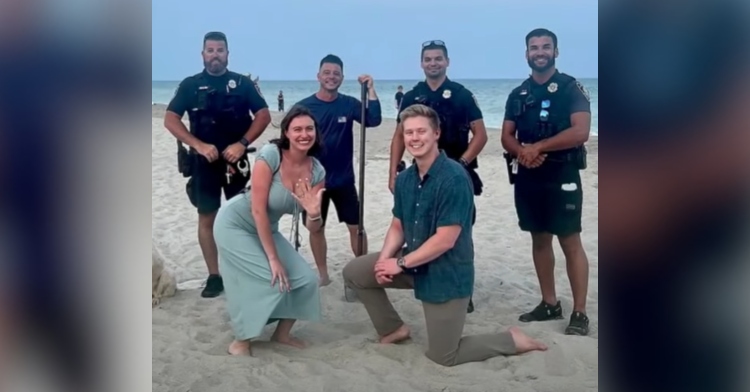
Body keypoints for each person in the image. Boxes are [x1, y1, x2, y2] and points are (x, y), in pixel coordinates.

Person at [343, 104, 547, 367]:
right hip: (413, 262)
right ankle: (393, 328)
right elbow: (398, 225)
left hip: (446, 272)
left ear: (436, 133)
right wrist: (385, 261)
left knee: (444, 356)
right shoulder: (405, 179)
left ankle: (511, 340)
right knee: (355, 273)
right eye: (409, 133)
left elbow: (445, 239)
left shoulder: (454, 178)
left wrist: (400, 263)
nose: (414, 138)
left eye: (421, 131)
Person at [164, 31, 271, 298]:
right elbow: (170, 119)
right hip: (204, 163)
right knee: (207, 217)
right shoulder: (190, 85)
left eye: (220, 50)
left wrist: (242, 143)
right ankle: (214, 275)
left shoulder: (242, 83)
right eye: (210, 50)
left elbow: (264, 114)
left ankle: (245, 270)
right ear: (202, 54)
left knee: (246, 217)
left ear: (227, 54)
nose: (215, 55)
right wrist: (198, 145)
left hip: (237, 161)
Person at [213, 106, 327, 356]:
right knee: (272, 278)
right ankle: (241, 340)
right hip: (236, 224)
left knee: (306, 281)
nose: (304, 134)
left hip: (267, 228)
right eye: (297, 129)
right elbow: (257, 210)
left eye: (309, 129)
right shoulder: (271, 154)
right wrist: (273, 259)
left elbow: (314, 228)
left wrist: (314, 212)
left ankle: (282, 334)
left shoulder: (317, 171)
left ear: (316, 134)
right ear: (286, 132)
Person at [500, 28, 592, 335]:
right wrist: (523, 152)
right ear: (526, 53)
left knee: (570, 240)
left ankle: (579, 311)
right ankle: (549, 303)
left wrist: (538, 147)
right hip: (528, 175)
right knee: (539, 239)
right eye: (534, 47)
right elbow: (506, 136)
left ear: (556, 51)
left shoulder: (570, 88)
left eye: (546, 47)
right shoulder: (518, 94)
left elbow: (581, 132)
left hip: (562, 175)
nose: (540, 52)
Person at [389, 40, 488, 313]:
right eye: (428, 59)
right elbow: (399, 136)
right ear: (421, 63)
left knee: (459, 234)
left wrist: (461, 164)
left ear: (447, 62)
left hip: (457, 174)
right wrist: (392, 171)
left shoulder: (461, 95)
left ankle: (462, 291)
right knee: (423, 227)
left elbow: (481, 135)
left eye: (438, 59)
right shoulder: (411, 97)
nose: (433, 63)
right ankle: (427, 278)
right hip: (421, 175)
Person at [293, 54, 382, 286]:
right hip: (314, 182)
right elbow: (289, 139)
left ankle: (361, 273)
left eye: (336, 73)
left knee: (357, 227)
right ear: (318, 76)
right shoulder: (304, 107)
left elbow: (374, 119)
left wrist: (371, 90)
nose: (331, 77)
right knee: (315, 228)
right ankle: (323, 275)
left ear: (342, 78)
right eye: (327, 73)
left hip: (344, 180)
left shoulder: (349, 104)